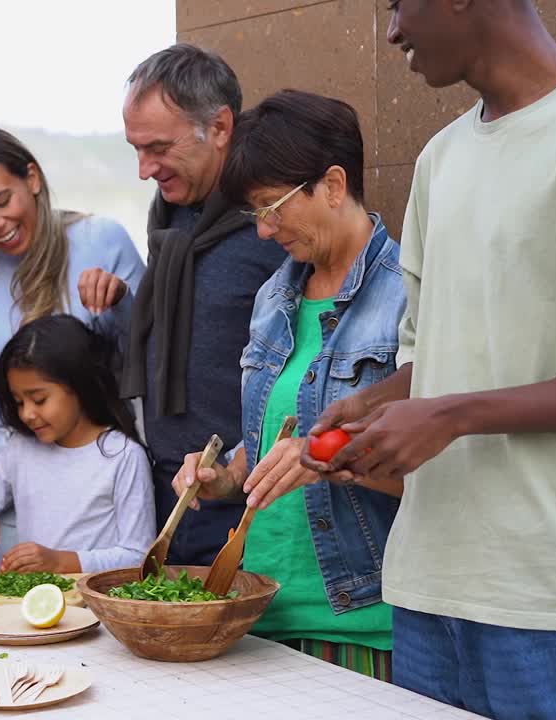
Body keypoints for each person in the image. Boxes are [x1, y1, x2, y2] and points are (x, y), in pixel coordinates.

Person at [302, 2, 556, 716]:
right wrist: (376, 409)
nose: (392, 29)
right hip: (430, 586)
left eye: (399, 3)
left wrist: (449, 417)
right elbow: (432, 360)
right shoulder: (440, 159)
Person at [173, 90, 403, 680]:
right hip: (260, 612)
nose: (264, 230)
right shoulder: (275, 296)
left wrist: (325, 454)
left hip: (358, 621)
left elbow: (439, 464)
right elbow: (280, 436)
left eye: (271, 207)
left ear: (331, 184)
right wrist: (224, 478)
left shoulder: (406, 294)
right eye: (254, 213)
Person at [0, 126, 145, 569]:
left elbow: (146, 360)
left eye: (1, 200)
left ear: (32, 178)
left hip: (85, 466)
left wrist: (121, 303)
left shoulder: (102, 239)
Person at [120, 44, 287, 566]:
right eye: (136, 150)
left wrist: (235, 474)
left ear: (219, 128)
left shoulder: (275, 225)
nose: (145, 169)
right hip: (169, 493)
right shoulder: (168, 223)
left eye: (158, 148)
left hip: (250, 503)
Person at [0, 315, 154, 574]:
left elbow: (139, 557)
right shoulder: (21, 449)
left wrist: (61, 562)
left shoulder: (123, 456)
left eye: (38, 400)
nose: (27, 413)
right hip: (34, 607)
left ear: (80, 386)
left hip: (96, 608)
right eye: (18, 402)